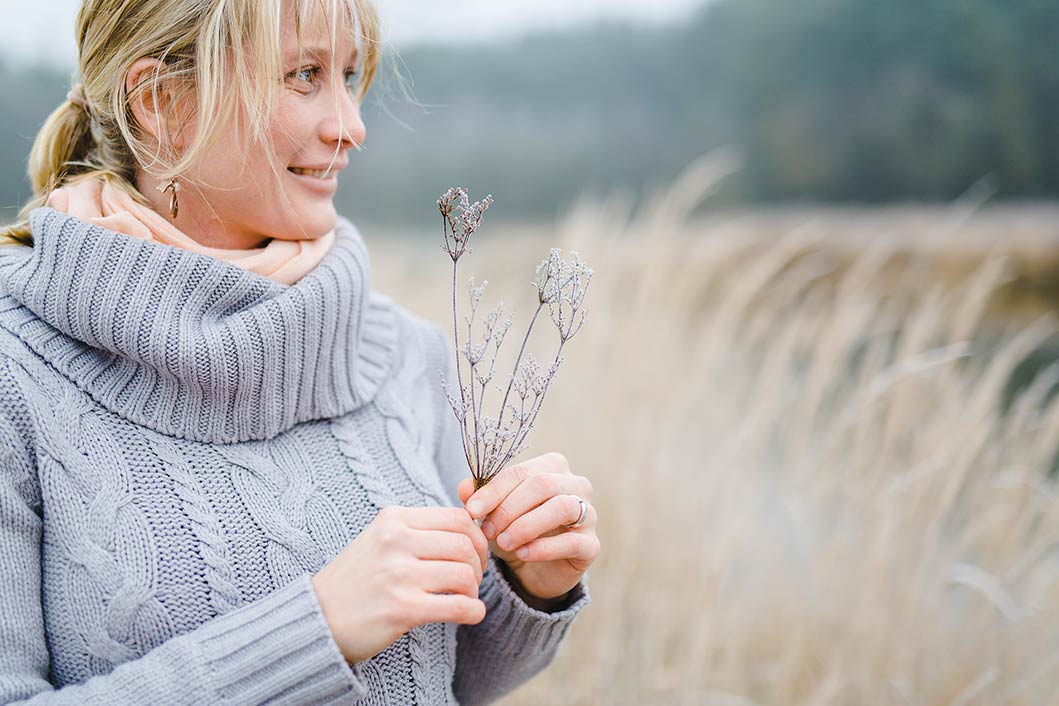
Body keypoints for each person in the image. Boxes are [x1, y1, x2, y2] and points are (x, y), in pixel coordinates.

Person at [0, 0, 600, 703]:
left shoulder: (411, 356)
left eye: (348, 76)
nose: (349, 126)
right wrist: (318, 630)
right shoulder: (17, 371)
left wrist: (529, 580)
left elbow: (449, 680)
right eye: (304, 74)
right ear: (160, 102)